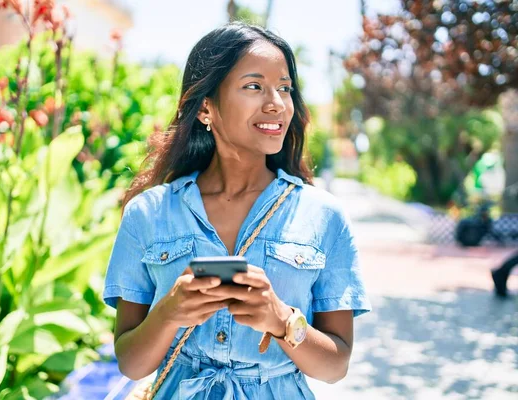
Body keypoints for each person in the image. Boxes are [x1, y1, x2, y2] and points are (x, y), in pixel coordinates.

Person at [103, 22, 371, 399]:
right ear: (206, 108)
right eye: (254, 86)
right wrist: (170, 312)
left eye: (284, 88)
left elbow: (336, 365)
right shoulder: (148, 214)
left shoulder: (323, 215)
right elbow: (131, 363)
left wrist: (282, 320)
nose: (276, 103)